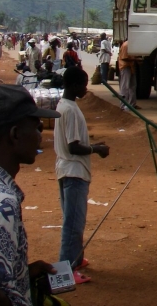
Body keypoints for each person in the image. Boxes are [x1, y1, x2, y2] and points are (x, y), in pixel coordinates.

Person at [0, 85, 60, 305]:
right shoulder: (2, 200)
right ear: (15, 135)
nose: (40, 135)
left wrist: (21, 274)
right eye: (36, 127)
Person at [55, 67, 110, 284]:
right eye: (84, 84)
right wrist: (97, 149)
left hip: (65, 170)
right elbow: (74, 147)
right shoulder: (70, 110)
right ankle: (66, 268)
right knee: (73, 222)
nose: (86, 88)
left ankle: (75, 258)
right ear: (74, 85)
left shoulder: (65, 106)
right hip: (73, 172)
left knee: (74, 219)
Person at [117, 40, 138, 111]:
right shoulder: (126, 45)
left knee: (132, 86)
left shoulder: (131, 45)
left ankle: (132, 104)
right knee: (125, 86)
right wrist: (135, 59)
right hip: (125, 67)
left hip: (130, 66)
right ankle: (123, 105)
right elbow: (124, 57)